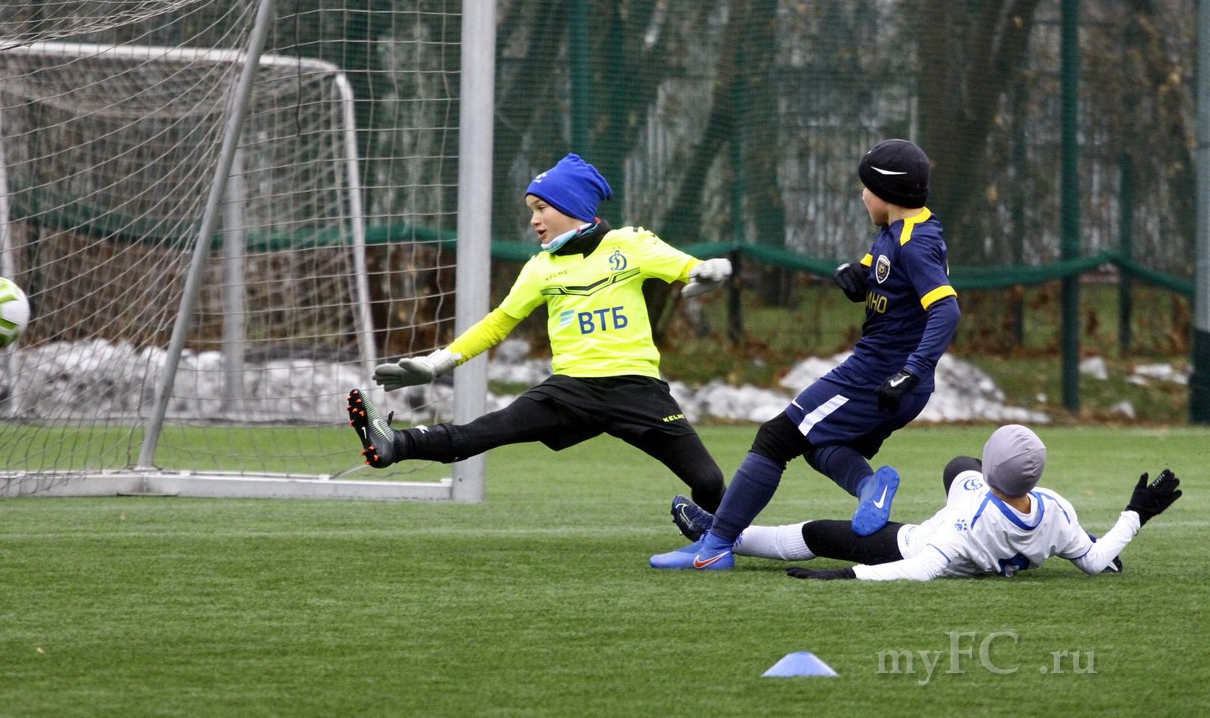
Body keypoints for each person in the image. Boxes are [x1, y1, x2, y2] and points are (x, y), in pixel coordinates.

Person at [346, 153, 731, 511]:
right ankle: (395, 443)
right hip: (572, 391)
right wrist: (436, 364)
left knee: (709, 481)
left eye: (541, 207)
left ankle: (714, 539)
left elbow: (692, 269)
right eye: (532, 209)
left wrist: (714, 270)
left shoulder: (630, 245)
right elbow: (497, 323)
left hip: (638, 390)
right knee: (486, 431)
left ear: (573, 206)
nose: (534, 219)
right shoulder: (539, 268)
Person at [651, 138, 960, 570]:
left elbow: (946, 309)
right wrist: (858, 276)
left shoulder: (912, 242)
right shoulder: (905, 229)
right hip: (888, 377)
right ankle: (869, 488)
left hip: (878, 377)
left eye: (866, 187)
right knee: (820, 444)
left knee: (776, 437)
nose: (862, 195)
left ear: (886, 191)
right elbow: (885, 273)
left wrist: (911, 370)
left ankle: (715, 546)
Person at [662, 424, 1182, 581]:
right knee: (957, 466)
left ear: (991, 472)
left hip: (920, 544)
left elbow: (922, 568)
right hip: (1001, 539)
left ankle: (720, 534)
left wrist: (848, 575)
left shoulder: (970, 510)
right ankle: (720, 530)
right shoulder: (1057, 508)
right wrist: (1135, 513)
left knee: (818, 533)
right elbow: (1095, 561)